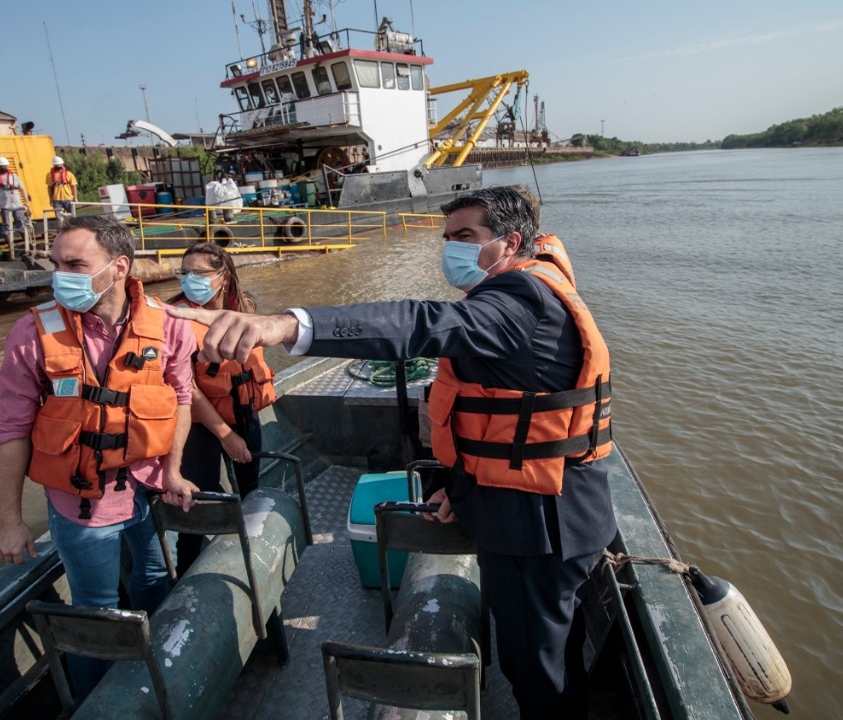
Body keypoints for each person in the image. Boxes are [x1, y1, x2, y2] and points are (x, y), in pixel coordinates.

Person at [167, 186, 615, 718]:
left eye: (466, 237)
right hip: (539, 507)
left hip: (538, 528)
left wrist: (287, 324)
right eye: (448, 238)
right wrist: (458, 485)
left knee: (537, 668)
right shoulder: (534, 286)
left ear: (510, 241)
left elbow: (418, 324)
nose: (453, 249)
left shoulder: (520, 299)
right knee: (553, 647)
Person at [0, 214, 199, 697]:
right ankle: (98, 702)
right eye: (56, 263)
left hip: (146, 493)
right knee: (95, 610)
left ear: (118, 267)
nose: (59, 275)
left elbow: (181, 399)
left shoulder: (168, 326)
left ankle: (161, 677)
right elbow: (11, 430)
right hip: (80, 506)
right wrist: (9, 519)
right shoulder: (32, 335)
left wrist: (173, 471)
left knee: (152, 581)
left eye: (75, 264)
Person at [167, 242, 275, 575]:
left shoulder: (245, 305)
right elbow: (189, 388)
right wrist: (226, 435)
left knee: (251, 494)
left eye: (199, 273)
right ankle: (188, 573)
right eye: (184, 273)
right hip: (201, 425)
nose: (189, 280)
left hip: (245, 413)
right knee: (198, 504)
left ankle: (253, 563)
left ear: (223, 276)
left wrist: (237, 431)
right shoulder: (173, 317)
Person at [0, 156, 31, 239]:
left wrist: (27, 201)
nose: (3, 168)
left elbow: (22, 189)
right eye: (1, 166)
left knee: (20, 222)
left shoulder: (14, 176)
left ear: (7, 166)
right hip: (4, 205)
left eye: (5, 166)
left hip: (17, 205)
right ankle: (10, 245)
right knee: (6, 224)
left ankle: (27, 243)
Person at [47, 155, 78, 229]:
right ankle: (61, 231)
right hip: (57, 199)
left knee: (72, 216)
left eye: (60, 164)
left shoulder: (69, 174)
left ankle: (73, 230)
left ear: (62, 164)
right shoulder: (50, 175)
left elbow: (73, 186)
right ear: (54, 165)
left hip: (68, 198)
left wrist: (75, 198)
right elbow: (49, 187)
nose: (58, 166)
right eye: (57, 165)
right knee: (59, 218)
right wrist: (50, 198)